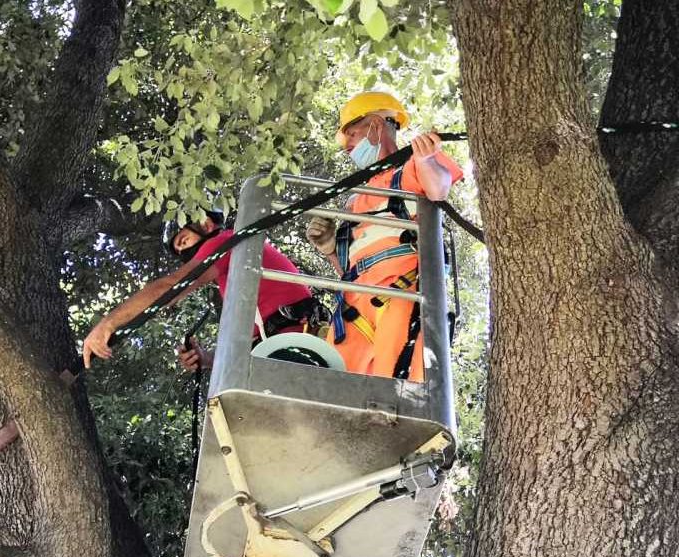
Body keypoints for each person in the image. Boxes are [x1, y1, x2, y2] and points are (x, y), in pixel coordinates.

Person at [306, 91, 463, 382]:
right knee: (340, 389)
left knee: (396, 387)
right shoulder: (354, 201)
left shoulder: (409, 169)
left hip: (399, 293)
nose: (348, 147)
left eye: (352, 135)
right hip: (353, 307)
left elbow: (438, 188)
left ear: (376, 126)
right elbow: (350, 271)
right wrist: (330, 248)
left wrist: (427, 159)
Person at [82, 209, 326, 371]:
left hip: (292, 345)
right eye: (180, 253)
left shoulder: (223, 243)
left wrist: (109, 323)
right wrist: (207, 359)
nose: (184, 254)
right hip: (285, 346)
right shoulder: (238, 271)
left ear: (206, 224)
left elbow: (169, 287)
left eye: (184, 241)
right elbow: (254, 339)